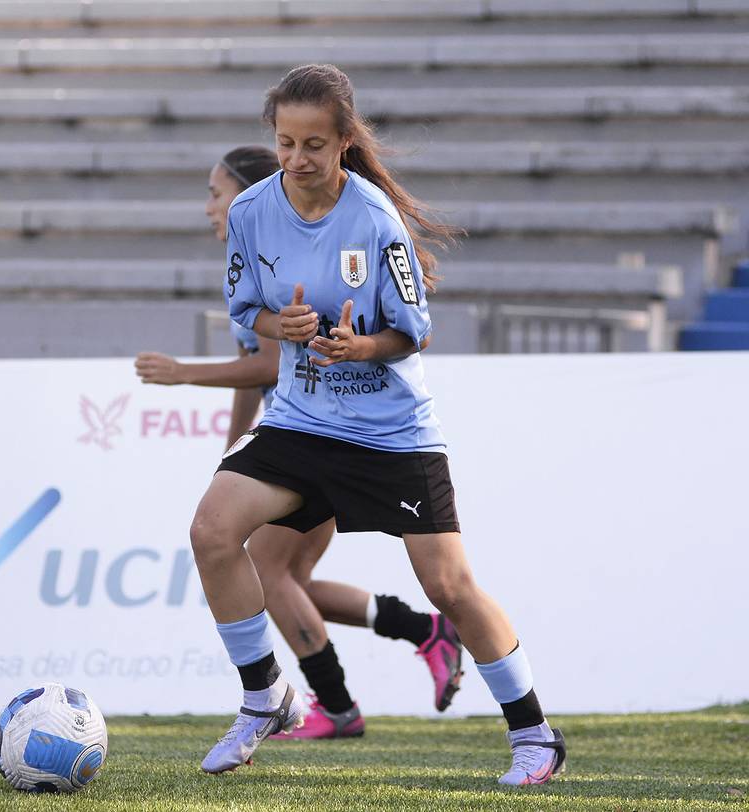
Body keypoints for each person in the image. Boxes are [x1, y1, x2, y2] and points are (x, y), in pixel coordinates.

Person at [190, 64, 566, 785]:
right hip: (302, 420)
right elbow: (249, 312)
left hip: (388, 431)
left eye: (313, 146)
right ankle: (264, 694)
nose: (296, 160)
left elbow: (413, 333)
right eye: (284, 143)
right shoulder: (251, 213)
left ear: (342, 144)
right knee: (212, 529)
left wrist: (356, 345)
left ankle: (535, 735)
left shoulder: (372, 219)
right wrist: (287, 323)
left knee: (450, 587)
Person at [135, 146, 466, 741]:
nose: (209, 206)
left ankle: (334, 706)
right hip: (293, 442)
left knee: (270, 576)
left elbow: (264, 365)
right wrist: (236, 445)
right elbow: (257, 367)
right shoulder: (257, 257)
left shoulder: (289, 253)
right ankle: (422, 631)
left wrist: (184, 372)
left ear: (246, 193)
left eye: (216, 192)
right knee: (287, 581)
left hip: (324, 441)